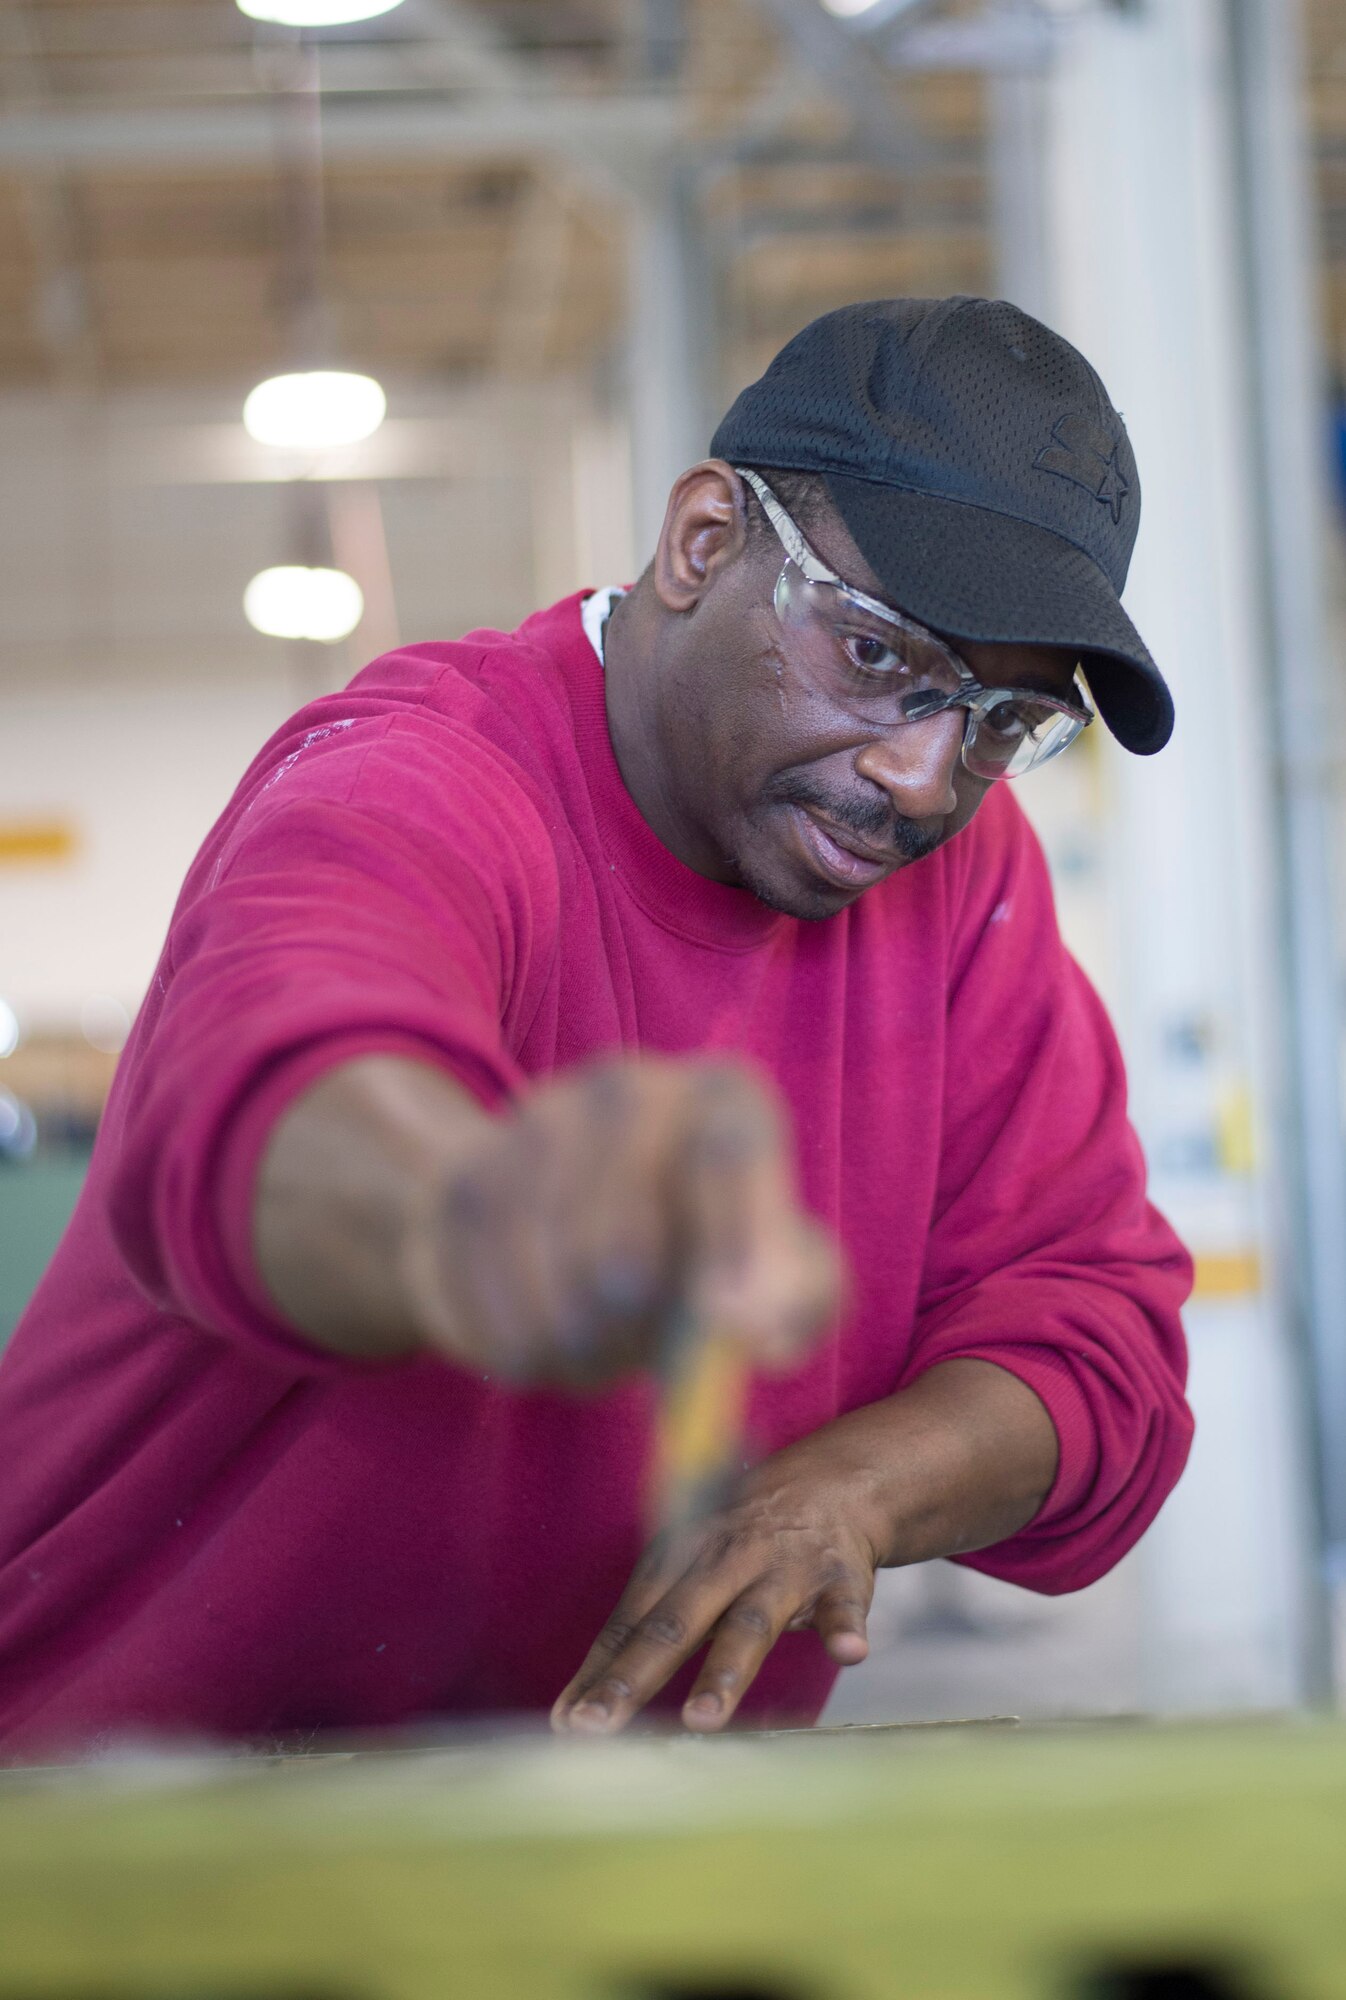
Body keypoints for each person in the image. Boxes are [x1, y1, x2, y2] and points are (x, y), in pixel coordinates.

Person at [0, 297, 1193, 1759]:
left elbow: (1095, 1337)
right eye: (880, 659)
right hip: (113, 1824)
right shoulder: (421, 776)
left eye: (1002, 722)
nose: (920, 777)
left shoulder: (957, 886)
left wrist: (849, 1488)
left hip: (591, 1860)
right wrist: (490, 1215)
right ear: (702, 543)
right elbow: (266, 1107)